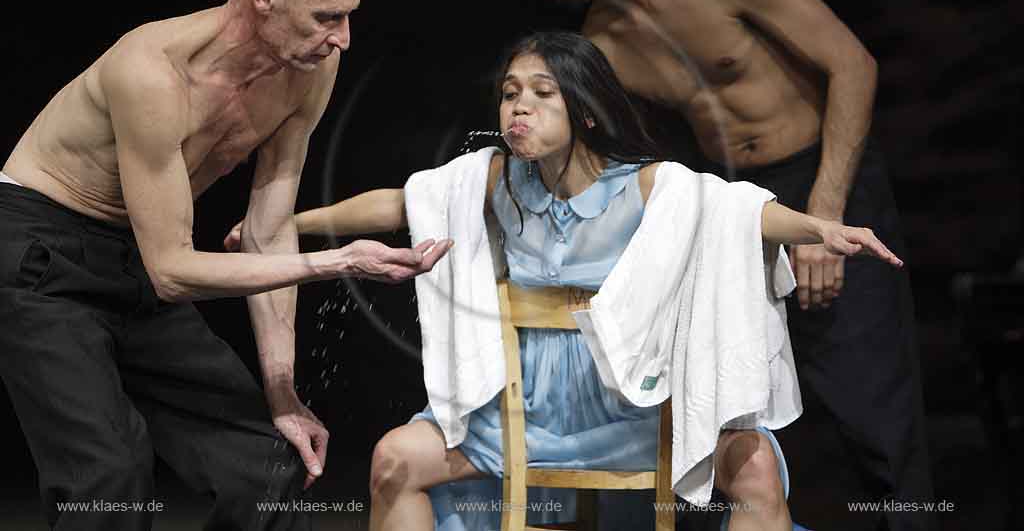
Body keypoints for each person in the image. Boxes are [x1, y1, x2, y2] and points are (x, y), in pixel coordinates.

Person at [228, 31, 904, 531]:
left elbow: (741, 212)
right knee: (394, 458)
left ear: (583, 109)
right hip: (525, 410)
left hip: (638, 410)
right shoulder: (491, 177)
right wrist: (287, 221)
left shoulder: (646, 184)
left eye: (541, 94)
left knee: (755, 466)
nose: (518, 106)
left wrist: (822, 228)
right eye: (510, 92)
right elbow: (399, 203)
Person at [469, 0, 933, 529]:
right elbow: (598, 148)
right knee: (733, 403)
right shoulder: (602, 39)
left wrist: (824, 216)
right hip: (733, 206)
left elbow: (852, 64)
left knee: (873, 406)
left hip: (826, 174)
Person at [0, 0, 451, 531]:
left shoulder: (308, 67)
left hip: (139, 250)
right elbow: (173, 274)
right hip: (45, 253)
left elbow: (267, 228)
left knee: (267, 464)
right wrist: (340, 259)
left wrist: (282, 391)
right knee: (107, 478)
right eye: (328, 16)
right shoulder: (153, 73)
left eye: (348, 15)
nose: (344, 37)